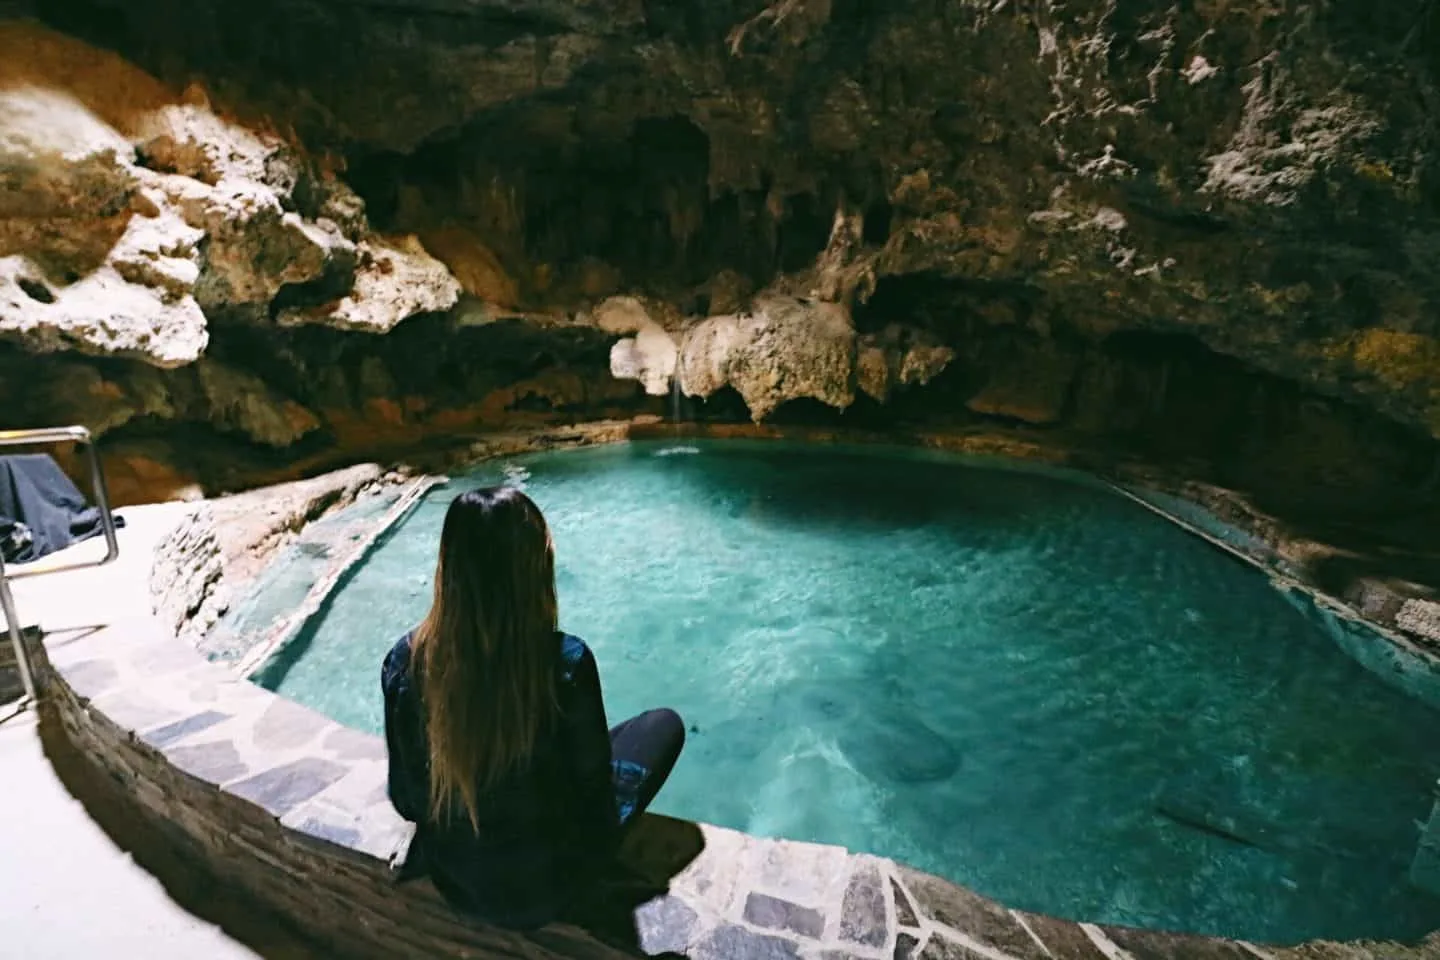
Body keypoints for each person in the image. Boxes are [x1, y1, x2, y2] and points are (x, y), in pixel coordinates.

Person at [381, 486, 686, 929]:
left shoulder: (406, 663)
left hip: (457, 882)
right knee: (662, 724)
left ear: (449, 566)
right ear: (535, 567)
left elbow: (407, 800)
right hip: (551, 887)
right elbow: (595, 803)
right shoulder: (564, 664)